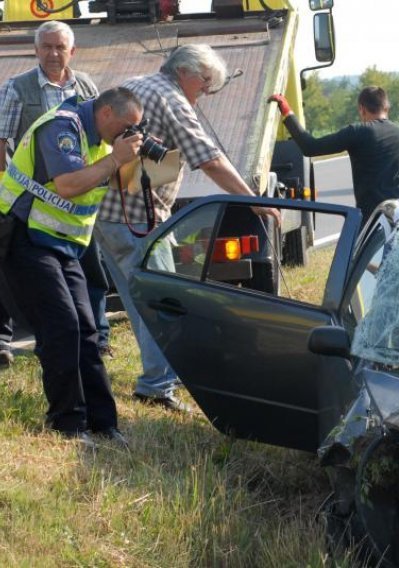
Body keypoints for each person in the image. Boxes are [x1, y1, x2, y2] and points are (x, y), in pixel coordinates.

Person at [95, 44, 279, 412]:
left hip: (109, 216)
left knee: (138, 302)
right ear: (186, 72)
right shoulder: (172, 99)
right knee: (167, 304)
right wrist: (253, 199)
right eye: (205, 82)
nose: (207, 91)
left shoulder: (138, 85)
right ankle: (158, 386)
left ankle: (157, 377)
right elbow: (209, 160)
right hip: (139, 221)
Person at [0, 87, 144, 447]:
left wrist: (135, 160)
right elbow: (67, 185)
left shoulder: (98, 141)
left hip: (62, 244)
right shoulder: (63, 127)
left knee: (87, 329)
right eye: (126, 126)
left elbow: (116, 185)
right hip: (25, 236)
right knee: (61, 326)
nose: (126, 135)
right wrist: (116, 158)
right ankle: (67, 425)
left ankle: (103, 424)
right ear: (107, 112)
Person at [0, 21, 112, 367]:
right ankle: (4, 342)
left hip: (76, 204)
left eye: (59, 47)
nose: (53, 54)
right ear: (35, 50)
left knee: (90, 269)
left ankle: (98, 338)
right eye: (46, 47)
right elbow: (2, 144)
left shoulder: (87, 87)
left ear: (72, 51)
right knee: (12, 271)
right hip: (31, 204)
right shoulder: (16, 89)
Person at [268, 86, 399, 225]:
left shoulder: (358, 132)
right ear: (386, 107)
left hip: (374, 221)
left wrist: (287, 111)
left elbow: (310, 147)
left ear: (362, 109)